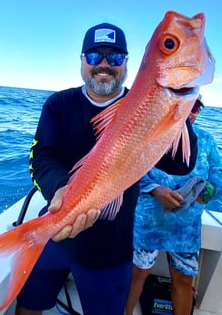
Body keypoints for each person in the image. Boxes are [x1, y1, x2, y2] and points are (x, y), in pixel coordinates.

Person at [15, 22, 198, 315]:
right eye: (93, 57)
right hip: (55, 233)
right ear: (82, 62)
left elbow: (182, 164)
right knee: (28, 305)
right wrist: (61, 191)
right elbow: (43, 156)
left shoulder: (148, 103)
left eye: (114, 58)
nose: (103, 65)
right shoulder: (59, 104)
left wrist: (178, 108)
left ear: (126, 64)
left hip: (110, 247)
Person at [125, 97, 222, 315]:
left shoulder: (206, 140)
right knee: (138, 272)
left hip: (186, 228)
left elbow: (219, 173)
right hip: (148, 222)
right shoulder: (150, 137)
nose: (190, 112)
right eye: (182, 107)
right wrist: (155, 189)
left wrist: (205, 193)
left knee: (183, 278)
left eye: (195, 107)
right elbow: (128, 172)